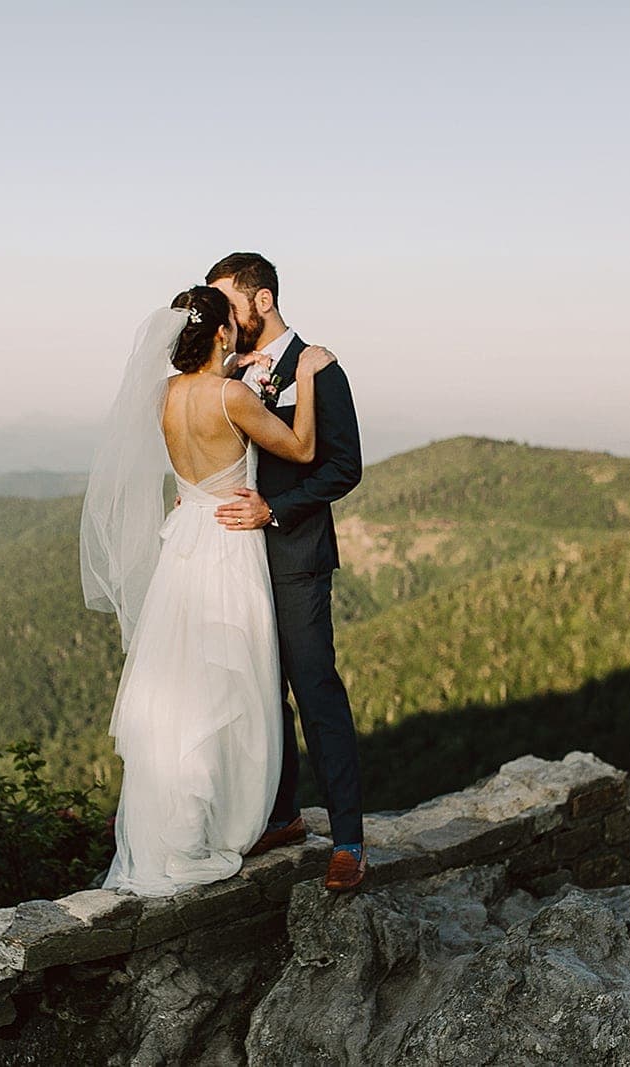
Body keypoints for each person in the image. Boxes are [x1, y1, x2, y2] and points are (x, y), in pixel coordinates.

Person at [80, 284, 336, 896]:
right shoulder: (233, 396)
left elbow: (189, 426)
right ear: (222, 332)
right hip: (229, 540)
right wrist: (306, 377)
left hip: (184, 539)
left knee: (183, 682)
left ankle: (179, 826)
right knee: (228, 680)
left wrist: (236, 366)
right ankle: (219, 819)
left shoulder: (162, 395)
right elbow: (302, 447)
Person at [206, 252, 368, 892]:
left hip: (295, 557)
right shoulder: (229, 372)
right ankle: (281, 815)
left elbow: (344, 467)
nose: (222, 317)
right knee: (260, 693)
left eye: (229, 303)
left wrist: (275, 510)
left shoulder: (318, 368)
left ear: (263, 300)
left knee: (315, 690)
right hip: (235, 558)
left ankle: (349, 841)